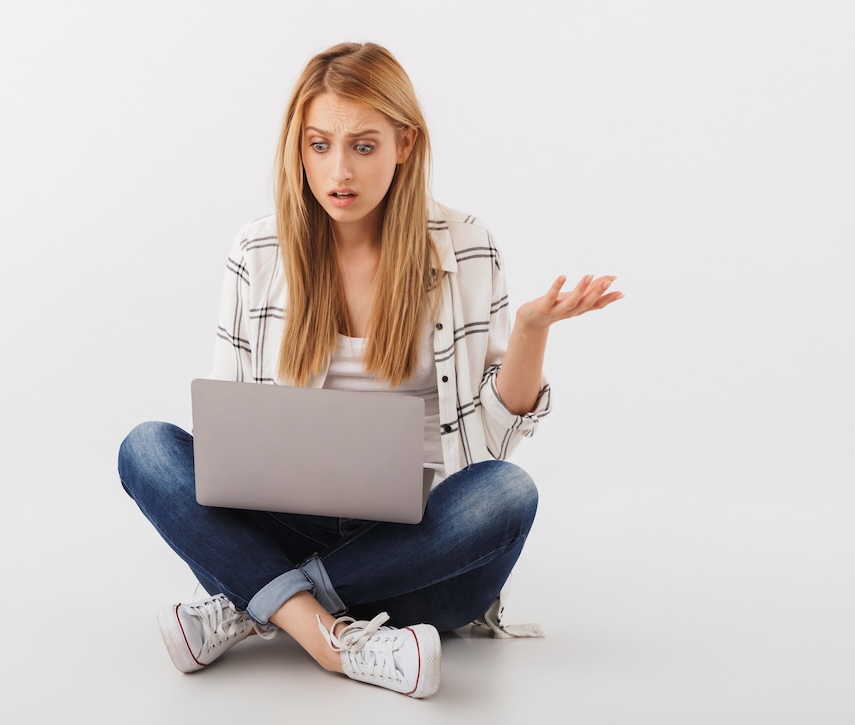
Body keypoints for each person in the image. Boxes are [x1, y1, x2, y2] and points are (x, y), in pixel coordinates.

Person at [118, 41, 622, 698]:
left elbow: (492, 448)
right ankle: (337, 642)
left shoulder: (467, 246)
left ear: (405, 143)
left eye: (363, 145)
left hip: (418, 542)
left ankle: (259, 604)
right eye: (319, 144)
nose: (338, 171)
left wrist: (529, 333)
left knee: (509, 493)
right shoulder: (256, 250)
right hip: (287, 516)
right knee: (147, 449)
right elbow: (225, 445)